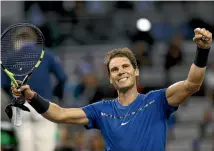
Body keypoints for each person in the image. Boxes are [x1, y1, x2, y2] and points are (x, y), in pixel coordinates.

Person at [11, 28, 212, 151]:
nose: (120, 72)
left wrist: (203, 51)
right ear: (110, 78)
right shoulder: (100, 110)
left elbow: (192, 84)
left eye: (125, 67)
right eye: (114, 69)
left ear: (136, 71)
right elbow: (60, 114)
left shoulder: (157, 100)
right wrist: (31, 96)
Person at [2, 26, 68, 151]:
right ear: (34, 40)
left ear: (17, 41)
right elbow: (63, 78)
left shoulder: (9, 57)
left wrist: (13, 97)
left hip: (20, 106)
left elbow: (4, 85)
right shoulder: (46, 54)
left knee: (25, 148)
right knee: (45, 147)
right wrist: (56, 96)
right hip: (43, 103)